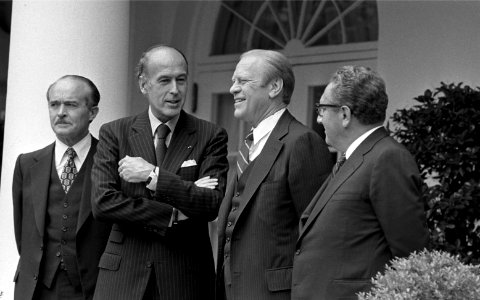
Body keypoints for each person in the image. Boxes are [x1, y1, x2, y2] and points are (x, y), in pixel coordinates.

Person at [90, 45, 229, 300]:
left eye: (181, 80)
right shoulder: (115, 133)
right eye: (164, 80)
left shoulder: (210, 135)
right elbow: (103, 203)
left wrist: (153, 175)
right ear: (144, 85)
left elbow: (211, 204)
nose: (175, 90)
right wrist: (173, 213)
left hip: (185, 277)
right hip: (123, 277)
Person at [291, 66, 429, 300]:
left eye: (322, 108)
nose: (318, 118)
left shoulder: (387, 158)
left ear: (345, 114)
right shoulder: (350, 159)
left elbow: (411, 256)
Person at [216, 49, 333, 300]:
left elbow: (317, 237)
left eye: (243, 81)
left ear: (275, 87)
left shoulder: (302, 142)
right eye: (233, 81)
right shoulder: (247, 145)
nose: (232, 89)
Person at [12, 75, 111, 300]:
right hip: (37, 290)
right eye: (54, 104)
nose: (61, 112)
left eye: (71, 104)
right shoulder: (27, 164)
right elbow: (23, 235)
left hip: (93, 290)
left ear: (93, 113)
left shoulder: (111, 162)